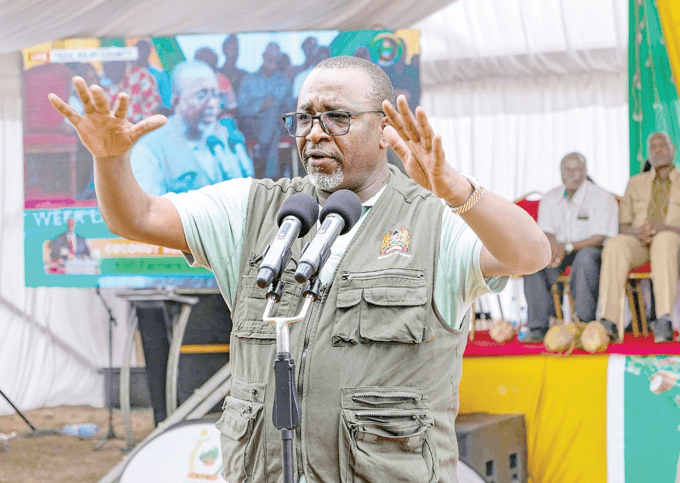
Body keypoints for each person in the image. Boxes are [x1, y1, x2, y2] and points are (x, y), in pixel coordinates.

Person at [48, 55, 550, 483]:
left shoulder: (434, 217)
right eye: (304, 118)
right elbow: (136, 217)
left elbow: (530, 254)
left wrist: (459, 191)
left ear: (385, 129)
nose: (314, 133)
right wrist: (110, 160)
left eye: (336, 117)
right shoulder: (256, 209)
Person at [522, 153, 618, 342]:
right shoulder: (551, 197)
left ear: (585, 172)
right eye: (567, 169)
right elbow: (546, 230)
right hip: (560, 248)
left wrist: (566, 246)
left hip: (591, 248)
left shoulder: (601, 197)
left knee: (585, 260)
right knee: (536, 263)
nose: (571, 174)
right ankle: (539, 326)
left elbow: (599, 237)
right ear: (561, 173)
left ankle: (582, 323)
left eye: (577, 169)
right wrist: (553, 247)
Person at [599, 131, 680, 343]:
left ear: (673, 150)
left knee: (664, 240)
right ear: (649, 154)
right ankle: (609, 321)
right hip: (640, 242)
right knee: (615, 244)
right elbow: (622, 225)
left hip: (673, 241)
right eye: (653, 147)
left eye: (663, 144)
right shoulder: (635, 183)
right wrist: (637, 231)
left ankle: (664, 319)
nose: (658, 149)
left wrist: (664, 227)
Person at [129, 60, 253, 195]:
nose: (212, 103)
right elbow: (147, 212)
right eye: (201, 95)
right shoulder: (150, 149)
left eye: (216, 95)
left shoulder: (225, 139)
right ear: (177, 102)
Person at [238, 42, 291, 178]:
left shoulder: (285, 81)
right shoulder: (248, 80)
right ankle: (272, 178)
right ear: (263, 56)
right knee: (273, 132)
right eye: (269, 57)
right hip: (254, 124)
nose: (272, 61)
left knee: (273, 113)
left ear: (279, 59)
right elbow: (241, 110)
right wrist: (261, 106)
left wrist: (277, 107)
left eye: (276, 58)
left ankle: (261, 154)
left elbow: (290, 108)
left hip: (278, 123)